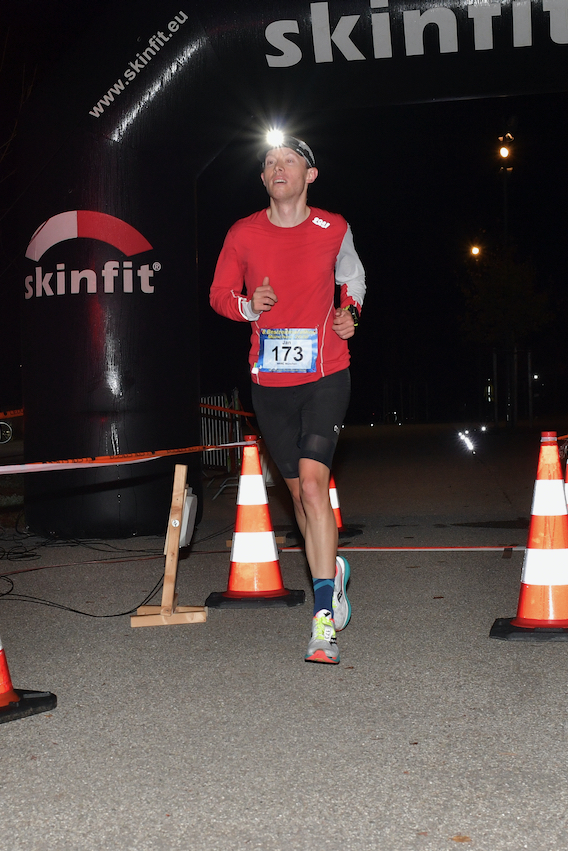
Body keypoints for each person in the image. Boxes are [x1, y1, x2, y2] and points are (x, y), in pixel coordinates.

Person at [209, 133, 366, 664]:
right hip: (269, 384)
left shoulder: (333, 227)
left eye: (289, 160)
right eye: (270, 162)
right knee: (299, 497)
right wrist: (250, 306)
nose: (278, 167)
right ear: (263, 179)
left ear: (309, 174)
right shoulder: (243, 233)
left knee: (316, 489)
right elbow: (218, 296)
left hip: (326, 374)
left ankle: (323, 619)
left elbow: (354, 280)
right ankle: (334, 572)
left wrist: (352, 315)